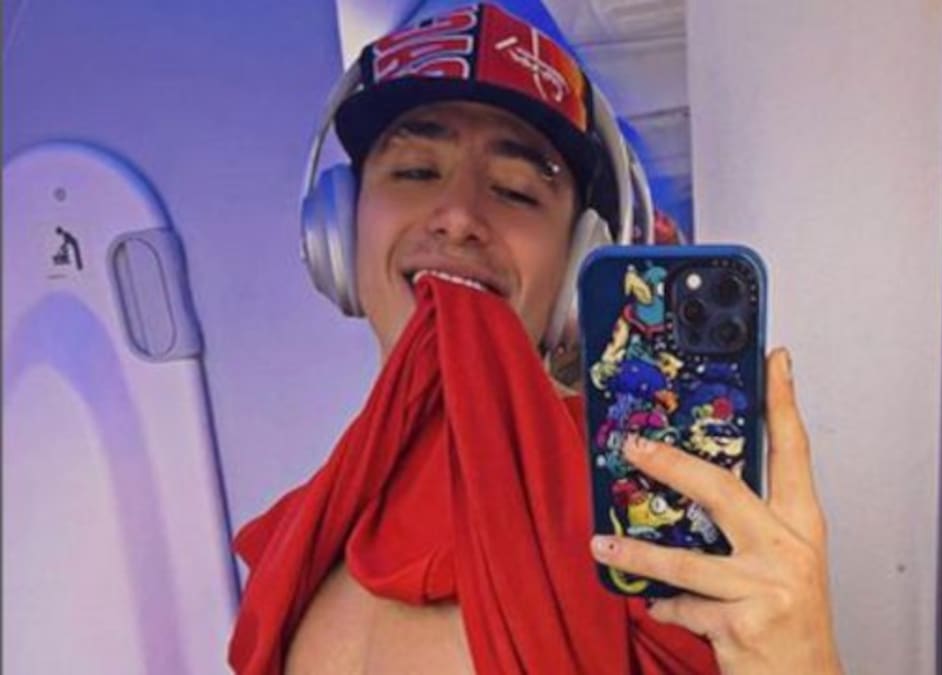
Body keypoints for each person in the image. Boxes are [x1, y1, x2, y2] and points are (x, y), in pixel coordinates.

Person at [228, 3, 843, 674]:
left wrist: (800, 661)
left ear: (576, 262)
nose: (458, 215)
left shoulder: (645, 516)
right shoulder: (295, 537)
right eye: (414, 172)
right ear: (340, 230)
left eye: (516, 191)